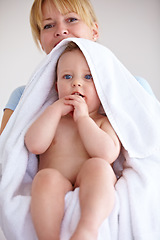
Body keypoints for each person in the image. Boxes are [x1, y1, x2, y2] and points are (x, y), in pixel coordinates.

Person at [0, 0, 154, 134]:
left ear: (94, 32)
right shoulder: (22, 96)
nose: (61, 30)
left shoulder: (135, 88)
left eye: (72, 19)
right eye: (48, 25)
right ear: (41, 42)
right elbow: (6, 154)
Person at [24, 42, 121, 240]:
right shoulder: (52, 118)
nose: (76, 83)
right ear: (56, 86)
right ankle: (48, 236)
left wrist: (84, 119)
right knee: (45, 179)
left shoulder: (102, 122)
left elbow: (108, 154)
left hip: (90, 180)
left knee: (99, 167)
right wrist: (55, 110)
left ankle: (87, 229)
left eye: (88, 77)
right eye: (67, 77)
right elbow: (34, 144)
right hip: (56, 180)